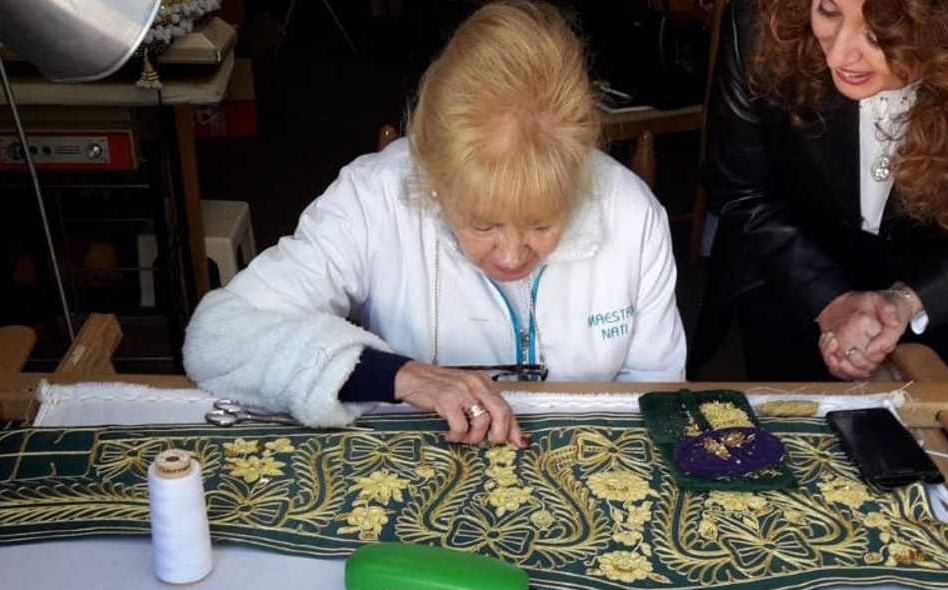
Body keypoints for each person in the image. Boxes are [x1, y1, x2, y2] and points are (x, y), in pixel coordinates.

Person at [184, 1, 687, 445]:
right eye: (483, 225)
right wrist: (398, 375)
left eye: (540, 224)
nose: (511, 255)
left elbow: (654, 397)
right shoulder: (375, 199)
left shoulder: (630, 215)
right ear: (434, 181)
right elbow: (218, 338)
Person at [693, 0, 948, 383]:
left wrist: (909, 301)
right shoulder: (764, 17)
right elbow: (741, 189)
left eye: (880, 34)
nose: (838, 56)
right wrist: (827, 298)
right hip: (791, 278)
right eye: (828, 11)